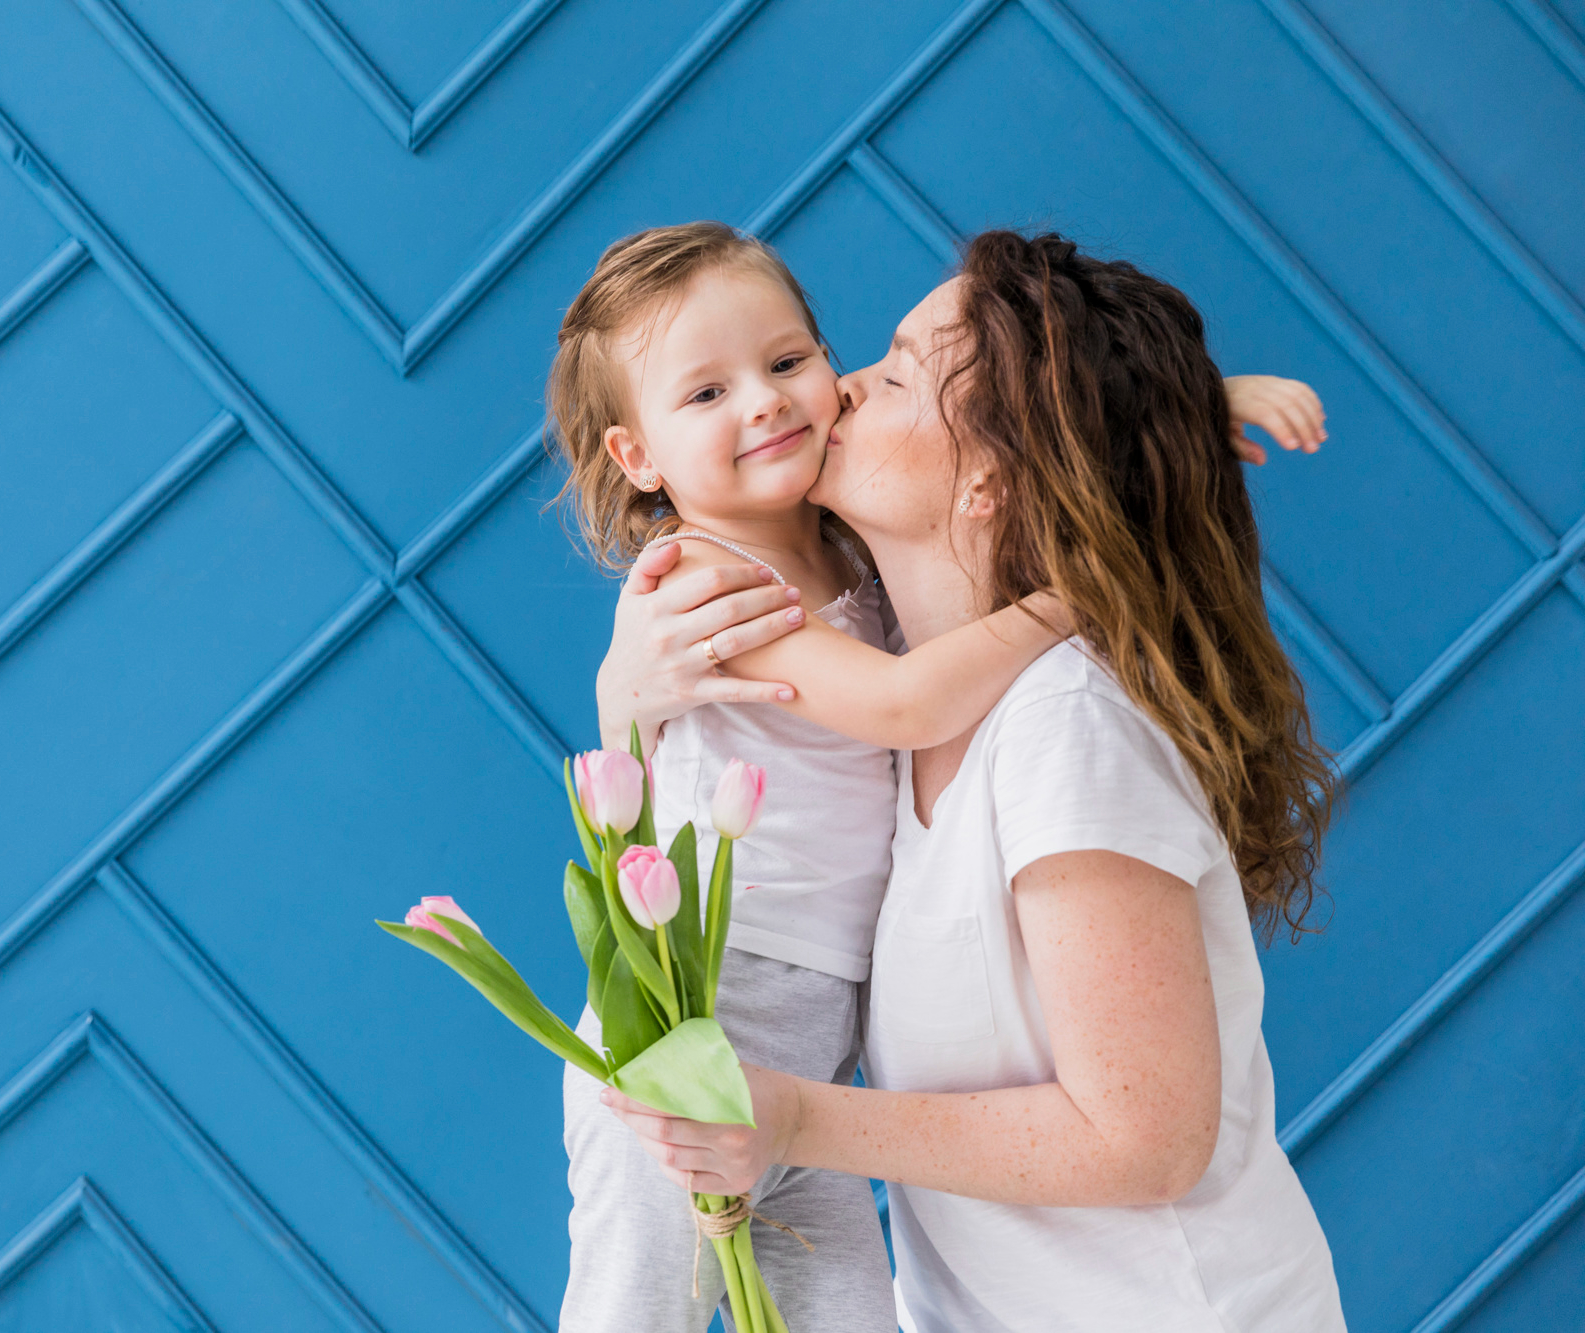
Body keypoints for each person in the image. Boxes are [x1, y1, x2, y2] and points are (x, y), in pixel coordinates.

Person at [551, 222, 1332, 1330]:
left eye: (816, 364)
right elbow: (1073, 445)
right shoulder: (838, 652)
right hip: (714, 1032)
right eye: (708, 392)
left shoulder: (1057, 719)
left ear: (993, 480)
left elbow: (1143, 1136)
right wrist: (624, 703)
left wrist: (1115, 532)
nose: (825, 395)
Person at [547, 221, 1071, 1333]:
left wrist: (1204, 405)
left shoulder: (842, 531)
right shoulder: (700, 581)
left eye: (787, 362)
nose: (765, 402)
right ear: (634, 458)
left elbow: (1016, 423)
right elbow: (901, 704)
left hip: (810, 1058)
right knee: (633, 1310)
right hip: (699, 1017)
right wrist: (1074, 599)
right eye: (704, 394)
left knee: (843, 1313)